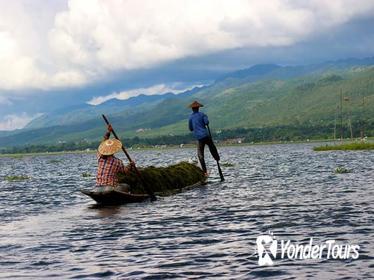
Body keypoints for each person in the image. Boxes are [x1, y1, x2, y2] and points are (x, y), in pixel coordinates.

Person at [95, 125, 134, 192]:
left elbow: (102, 144)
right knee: (127, 186)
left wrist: (108, 132)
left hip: (97, 188)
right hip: (110, 189)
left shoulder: (100, 157)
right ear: (113, 150)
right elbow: (125, 171)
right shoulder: (117, 162)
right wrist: (131, 165)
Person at [188, 101, 220, 176]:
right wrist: (205, 120)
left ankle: (204, 172)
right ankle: (217, 159)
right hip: (206, 136)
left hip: (199, 138)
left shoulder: (190, 117)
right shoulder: (202, 114)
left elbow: (190, 128)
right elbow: (206, 122)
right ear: (198, 108)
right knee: (212, 147)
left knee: (200, 155)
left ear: (192, 109)